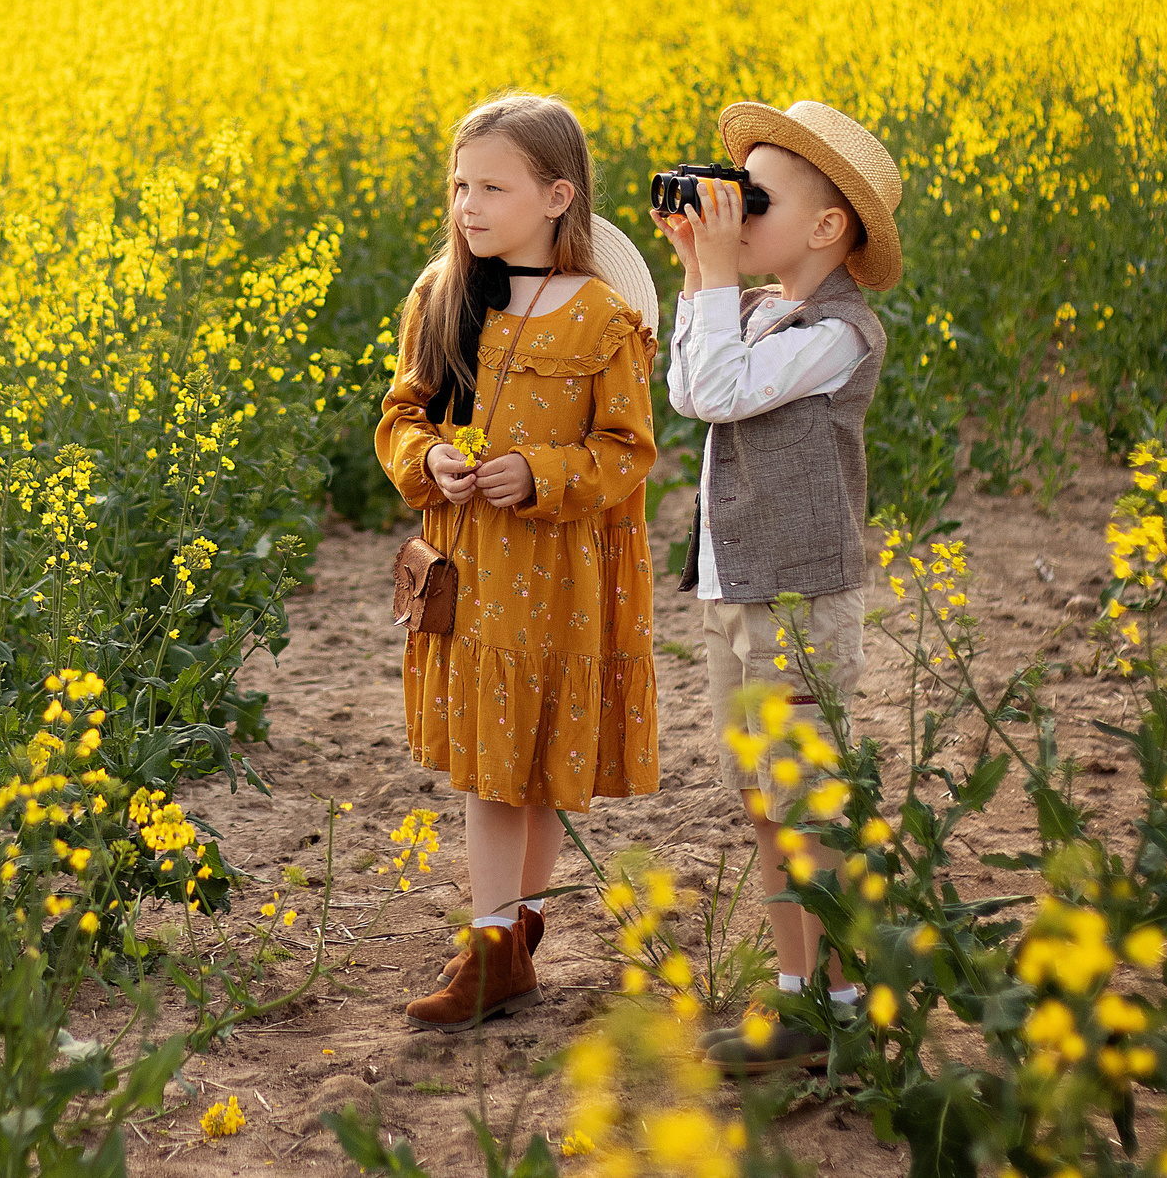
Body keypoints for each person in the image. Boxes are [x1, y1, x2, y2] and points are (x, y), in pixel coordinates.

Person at [376, 92, 660, 1033]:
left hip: (561, 582)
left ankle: (513, 936)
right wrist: (431, 459)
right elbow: (402, 415)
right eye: (460, 185)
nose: (468, 205)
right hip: (472, 577)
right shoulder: (442, 295)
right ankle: (497, 942)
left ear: (557, 196)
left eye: (492, 188)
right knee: (492, 768)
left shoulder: (604, 321)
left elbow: (627, 452)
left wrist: (540, 473)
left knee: (537, 762)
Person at [653, 98, 903, 1075]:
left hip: (797, 599)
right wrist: (697, 269)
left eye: (754, 199)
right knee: (766, 801)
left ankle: (847, 1001)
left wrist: (715, 273)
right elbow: (688, 390)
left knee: (805, 802)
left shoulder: (842, 332)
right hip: (738, 589)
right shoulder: (755, 308)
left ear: (828, 226)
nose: (735, 211)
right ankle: (800, 995)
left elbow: (720, 390)